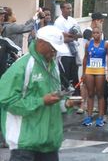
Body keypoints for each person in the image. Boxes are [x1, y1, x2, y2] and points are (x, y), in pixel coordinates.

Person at [0, 25, 80, 161]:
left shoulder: (52, 66)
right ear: (41, 42)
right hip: (25, 144)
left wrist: (66, 103)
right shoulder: (22, 66)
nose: (54, 52)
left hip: (48, 143)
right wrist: (41, 101)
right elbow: (8, 101)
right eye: (52, 47)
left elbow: (52, 99)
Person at [81, 27, 108, 127]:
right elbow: (85, 58)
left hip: (100, 70)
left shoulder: (105, 44)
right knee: (90, 94)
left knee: (100, 94)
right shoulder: (88, 44)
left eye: (98, 33)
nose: (96, 34)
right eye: (94, 33)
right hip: (89, 69)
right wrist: (83, 73)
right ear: (92, 34)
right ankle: (89, 116)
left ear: (101, 33)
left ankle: (100, 117)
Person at [54, 2, 82, 96]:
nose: (70, 10)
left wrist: (70, 35)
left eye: (70, 8)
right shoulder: (58, 22)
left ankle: (77, 99)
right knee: (65, 77)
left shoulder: (72, 20)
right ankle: (65, 99)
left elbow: (79, 34)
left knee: (75, 77)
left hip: (73, 52)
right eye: (68, 8)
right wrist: (72, 36)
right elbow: (61, 39)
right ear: (62, 9)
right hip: (63, 54)